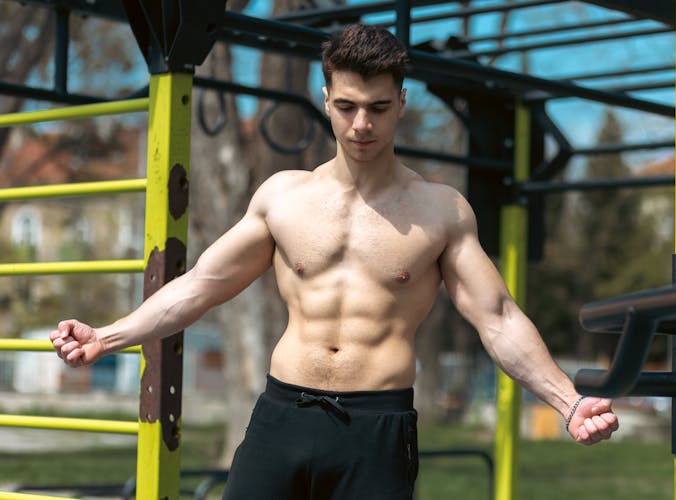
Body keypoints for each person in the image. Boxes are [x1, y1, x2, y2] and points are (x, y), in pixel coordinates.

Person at [51, 23, 618, 500]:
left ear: (401, 102)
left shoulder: (441, 211)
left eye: (376, 108)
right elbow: (202, 284)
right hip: (282, 415)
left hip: (377, 427)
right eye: (345, 107)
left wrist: (568, 402)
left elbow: (498, 318)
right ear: (326, 101)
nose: (361, 125)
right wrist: (107, 336)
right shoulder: (283, 197)